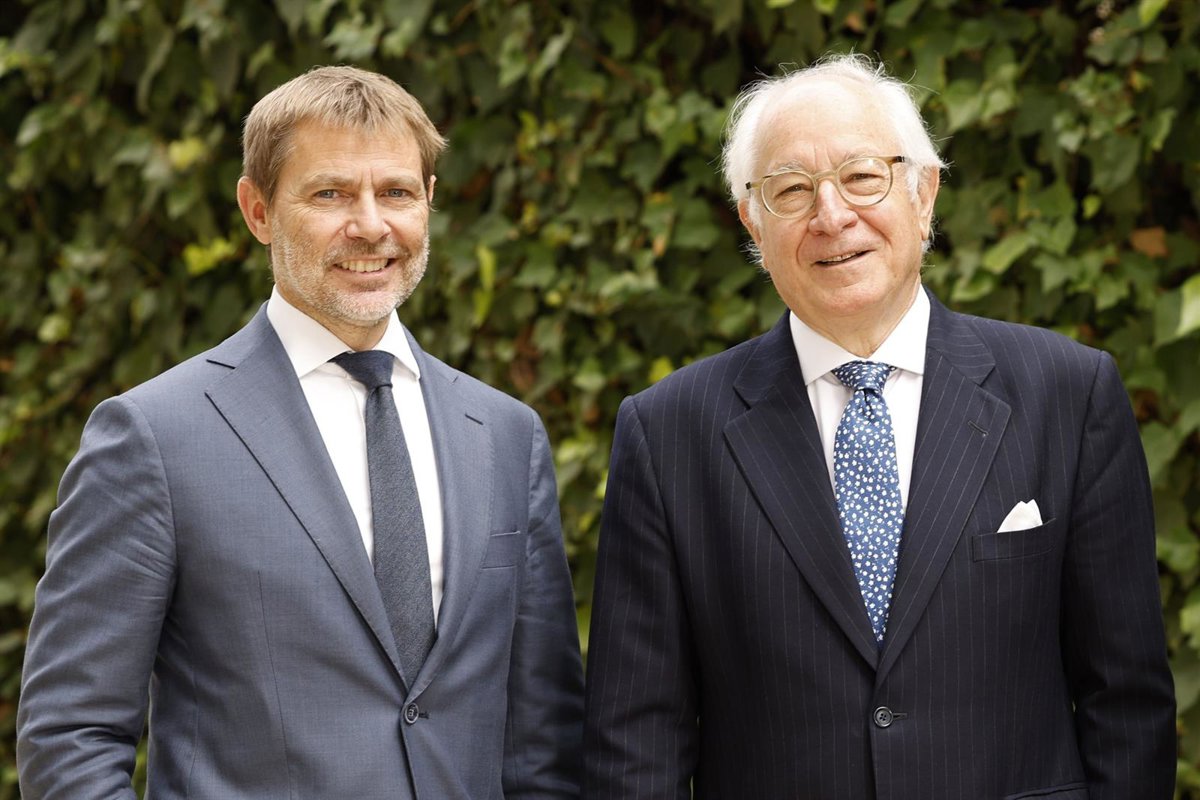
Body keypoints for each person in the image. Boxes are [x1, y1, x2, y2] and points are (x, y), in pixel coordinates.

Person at [583, 54, 1175, 799]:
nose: (832, 216)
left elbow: (1128, 709)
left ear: (924, 193)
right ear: (753, 224)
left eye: (862, 177)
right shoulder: (668, 434)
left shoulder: (1068, 394)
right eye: (791, 190)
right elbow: (634, 747)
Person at [18, 65, 583, 799]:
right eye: (330, 194)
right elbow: (71, 737)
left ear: (429, 200)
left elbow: (544, 745)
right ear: (258, 211)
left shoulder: (505, 435)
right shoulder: (154, 438)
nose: (371, 225)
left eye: (397, 193)